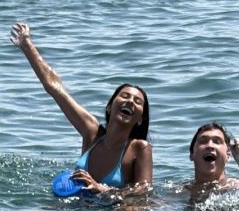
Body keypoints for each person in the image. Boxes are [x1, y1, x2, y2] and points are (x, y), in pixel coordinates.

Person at [9, 22, 152, 193]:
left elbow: (144, 192)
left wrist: (102, 189)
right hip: (78, 206)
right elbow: (55, 88)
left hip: (114, 208)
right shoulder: (92, 133)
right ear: (109, 107)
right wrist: (27, 45)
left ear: (140, 119)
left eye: (137, 101)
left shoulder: (139, 148)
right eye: (125, 96)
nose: (130, 102)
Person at [185, 122, 239, 201]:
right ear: (192, 154)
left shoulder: (238, 187)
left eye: (217, 141)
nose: (210, 145)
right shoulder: (181, 192)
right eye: (203, 141)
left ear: (228, 154)